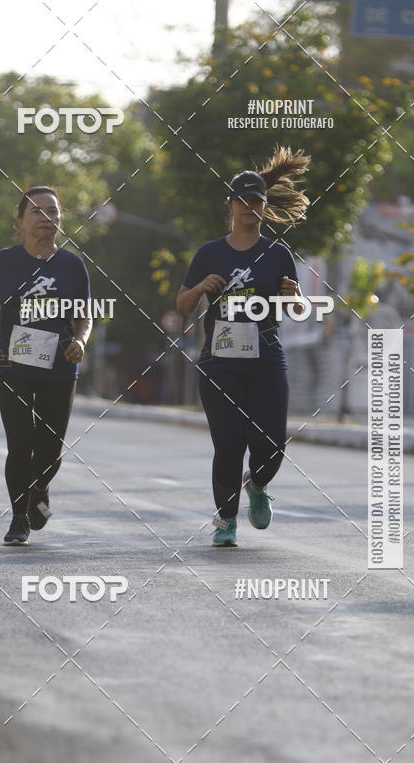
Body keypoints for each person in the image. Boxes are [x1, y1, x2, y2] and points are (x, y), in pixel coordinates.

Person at [176, 147, 310, 547]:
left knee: (272, 442)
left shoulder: (277, 253)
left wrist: (296, 294)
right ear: (232, 205)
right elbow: (182, 305)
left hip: (266, 357)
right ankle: (226, 519)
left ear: (264, 208)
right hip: (220, 361)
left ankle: (259, 483)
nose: (250, 208)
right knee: (230, 441)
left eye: (257, 202)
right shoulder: (210, 253)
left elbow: (299, 308)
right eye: (243, 201)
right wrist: (200, 288)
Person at [0, 186, 92, 545]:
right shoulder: (4, 261)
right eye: (37, 212)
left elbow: (84, 316)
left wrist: (82, 341)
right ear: (20, 220)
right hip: (14, 364)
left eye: (53, 212)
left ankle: (39, 486)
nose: (46, 218)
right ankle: (19, 517)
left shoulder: (72, 265)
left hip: (59, 365)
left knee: (51, 446)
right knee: (20, 443)